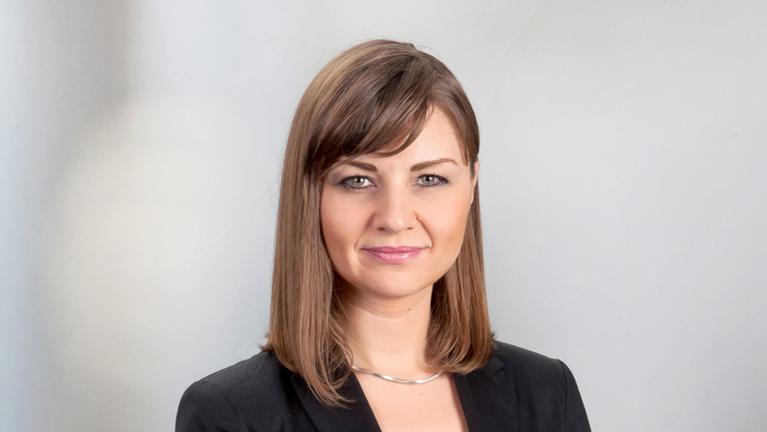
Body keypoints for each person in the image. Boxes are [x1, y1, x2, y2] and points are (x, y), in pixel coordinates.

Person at [175, 39, 592, 432]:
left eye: (430, 178)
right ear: (310, 197)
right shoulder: (232, 414)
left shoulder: (546, 392)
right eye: (358, 180)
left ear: (471, 187)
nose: (394, 218)